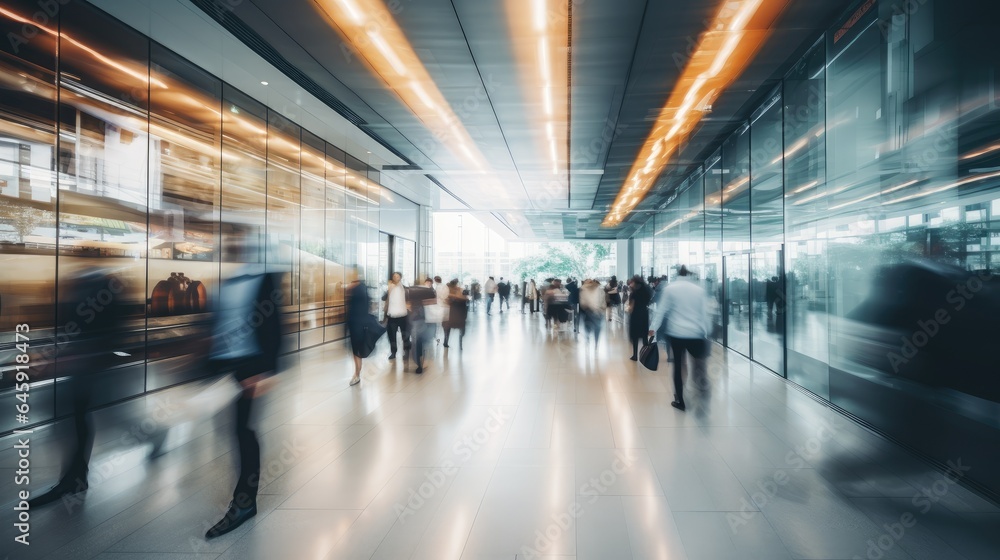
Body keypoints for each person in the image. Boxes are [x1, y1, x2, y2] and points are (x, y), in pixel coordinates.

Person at [30, 267, 130, 508]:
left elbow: (105, 331)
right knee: (76, 420)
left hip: (85, 368)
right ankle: (75, 477)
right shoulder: (93, 286)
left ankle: (73, 478)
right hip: (80, 367)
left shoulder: (95, 288)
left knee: (77, 420)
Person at [205, 269, 284, 538]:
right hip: (223, 365)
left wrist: (268, 369)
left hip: (250, 368)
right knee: (231, 431)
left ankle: (245, 501)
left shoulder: (263, 277)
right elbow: (216, 324)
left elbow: (274, 323)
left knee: (244, 431)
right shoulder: (225, 280)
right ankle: (243, 498)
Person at [649, 265, 709, 412]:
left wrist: (653, 328)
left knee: (679, 366)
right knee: (698, 365)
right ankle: (701, 392)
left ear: (677, 275)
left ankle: (680, 400)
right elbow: (704, 313)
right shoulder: (699, 290)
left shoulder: (671, 289)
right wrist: (706, 332)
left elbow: (661, 310)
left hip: (676, 332)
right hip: (696, 333)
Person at [346, 268, 371, 386]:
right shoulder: (362, 288)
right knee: (356, 350)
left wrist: (350, 290)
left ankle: (357, 374)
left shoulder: (358, 289)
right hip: (357, 323)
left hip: (357, 324)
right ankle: (357, 373)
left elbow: (357, 307)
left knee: (356, 350)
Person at [407, 278, 438, 373]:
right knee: (422, 342)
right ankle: (421, 363)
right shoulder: (430, 291)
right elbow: (434, 303)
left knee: (420, 342)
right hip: (424, 319)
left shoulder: (412, 291)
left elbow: (408, 304)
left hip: (421, 319)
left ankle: (421, 363)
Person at [383, 271, 410, 360]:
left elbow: (408, 299)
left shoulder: (404, 288)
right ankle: (393, 352)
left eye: (397, 276)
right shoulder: (390, 287)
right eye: (394, 276)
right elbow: (383, 298)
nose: (395, 278)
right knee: (392, 335)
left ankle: (406, 351)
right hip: (392, 316)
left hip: (403, 315)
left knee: (405, 334)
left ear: (400, 278)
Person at [627, 275, 653, 361]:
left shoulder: (635, 292)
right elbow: (649, 300)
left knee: (635, 336)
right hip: (644, 314)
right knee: (644, 335)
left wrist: (628, 310)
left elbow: (631, 306)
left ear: (635, 282)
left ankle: (635, 355)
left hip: (635, 315)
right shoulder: (647, 290)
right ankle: (647, 354)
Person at [580, 278, 606, 345]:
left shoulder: (599, 290)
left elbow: (603, 300)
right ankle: (590, 339)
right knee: (591, 327)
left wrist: (602, 308)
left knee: (596, 327)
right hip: (589, 312)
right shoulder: (584, 290)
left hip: (597, 312)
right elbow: (583, 302)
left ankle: (595, 342)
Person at [443, 279, 468, 349]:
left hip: (451, 313)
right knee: (461, 329)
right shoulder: (459, 291)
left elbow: (446, 301)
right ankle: (460, 343)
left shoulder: (449, 291)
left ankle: (446, 341)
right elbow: (465, 300)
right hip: (458, 313)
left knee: (447, 328)